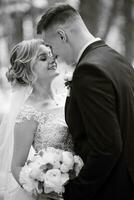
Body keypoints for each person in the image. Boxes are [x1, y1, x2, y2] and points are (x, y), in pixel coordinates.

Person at [37, 3, 134, 200]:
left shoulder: (89, 71)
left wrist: (74, 193)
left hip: (111, 190)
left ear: (62, 35)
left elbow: (106, 149)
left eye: (51, 46)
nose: (53, 55)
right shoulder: (117, 59)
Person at [0, 39, 73, 200]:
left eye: (51, 55)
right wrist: (42, 192)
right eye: (43, 58)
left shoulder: (67, 97)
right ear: (28, 69)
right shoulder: (28, 114)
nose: (52, 59)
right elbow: (16, 166)